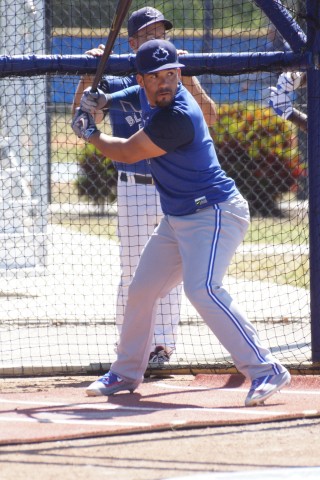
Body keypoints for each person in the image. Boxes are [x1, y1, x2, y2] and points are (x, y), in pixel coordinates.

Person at [72, 39, 291, 407]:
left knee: (202, 289)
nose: (166, 83)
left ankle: (266, 368)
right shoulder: (149, 93)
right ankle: (126, 372)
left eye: (172, 74)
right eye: (156, 76)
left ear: (179, 74)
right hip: (178, 219)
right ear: (143, 79)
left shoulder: (178, 115)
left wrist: (90, 133)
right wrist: (105, 101)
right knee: (140, 289)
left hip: (215, 212)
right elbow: (130, 91)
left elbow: (126, 152)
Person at [72, 7, 217, 366]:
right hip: (134, 185)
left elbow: (212, 116)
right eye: (148, 34)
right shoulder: (125, 77)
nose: (157, 38)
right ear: (132, 42)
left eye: (162, 33)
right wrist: (89, 76)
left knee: (172, 268)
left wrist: (186, 75)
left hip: (171, 186)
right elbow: (84, 117)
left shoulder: (172, 79)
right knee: (133, 269)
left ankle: (162, 347)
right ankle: (129, 347)